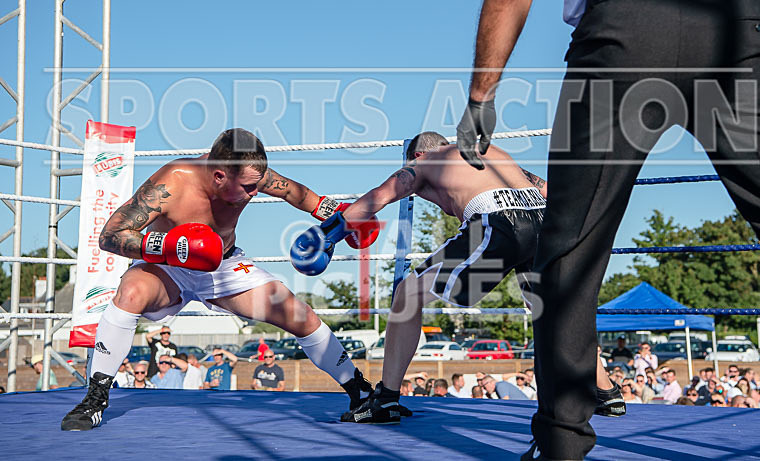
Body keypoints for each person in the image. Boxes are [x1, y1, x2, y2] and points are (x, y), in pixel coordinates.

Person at [456, 0, 760, 458]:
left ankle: (562, 445)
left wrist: (481, 93)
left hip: (622, 33)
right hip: (737, 26)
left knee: (569, 252)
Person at [61, 128, 374, 431]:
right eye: (249, 187)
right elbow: (110, 236)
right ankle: (95, 398)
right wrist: (168, 247)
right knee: (130, 293)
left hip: (223, 265)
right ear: (219, 175)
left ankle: (360, 392)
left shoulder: (251, 174)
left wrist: (338, 217)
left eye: (257, 185)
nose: (255, 192)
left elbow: (296, 193)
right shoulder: (172, 182)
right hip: (169, 265)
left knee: (297, 314)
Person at [299, 132, 622, 423]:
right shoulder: (489, 152)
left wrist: (329, 233)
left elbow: (378, 197)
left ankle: (386, 399)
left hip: (499, 224)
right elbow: (550, 192)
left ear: (417, 156)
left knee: (408, 295)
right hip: (543, 223)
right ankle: (607, 393)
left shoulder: (424, 164)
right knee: (553, 311)